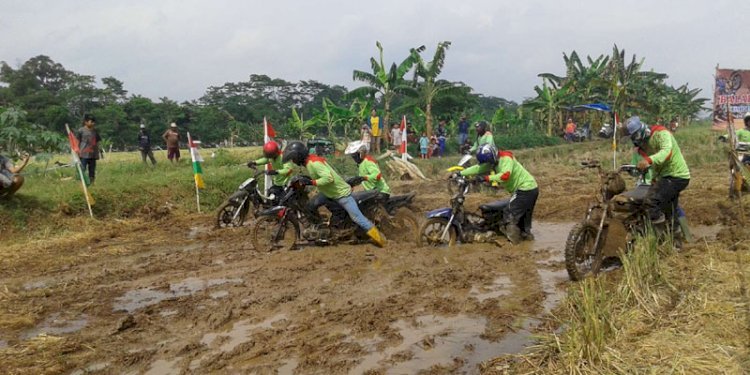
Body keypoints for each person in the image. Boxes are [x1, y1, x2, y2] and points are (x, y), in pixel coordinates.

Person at [282, 141, 386, 247]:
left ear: (299, 156)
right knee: (311, 204)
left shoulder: (314, 163)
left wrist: (311, 182)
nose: (293, 161)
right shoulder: (310, 162)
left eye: (294, 158)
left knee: (358, 218)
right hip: (329, 193)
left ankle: (381, 240)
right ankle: (319, 227)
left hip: (341, 194)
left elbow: (329, 178)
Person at [459, 144, 539, 244]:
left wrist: (486, 178)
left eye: (488, 162)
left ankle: (514, 244)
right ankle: (526, 240)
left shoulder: (506, 158)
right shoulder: (493, 162)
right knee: (523, 221)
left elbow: (505, 175)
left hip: (525, 189)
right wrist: (461, 173)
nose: (487, 164)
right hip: (529, 189)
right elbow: (478, 168)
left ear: (493, 156)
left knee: (509, 213)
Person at [626, 116, 690, 237]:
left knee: (651, 201)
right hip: (664, 177)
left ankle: (660, 235)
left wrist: (648, 160)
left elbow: (666, 152)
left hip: (677, 175)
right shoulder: (642, 148)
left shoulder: (661, 133)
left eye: (635, 136)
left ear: (642, 131)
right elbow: (652, 166)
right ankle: (676, 239)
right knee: (670, 208)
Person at [76, 114, 102, 184]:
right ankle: (81, 183)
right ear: (86, 122)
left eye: (93, 122)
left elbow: (97, 141)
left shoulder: (95, 131)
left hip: (93, 154)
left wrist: (99, 151)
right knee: (82, 169)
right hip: (83, 154)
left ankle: (92, 183)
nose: (93, 123)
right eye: (91, 121)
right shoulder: (81, 130)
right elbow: (78, 141)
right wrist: (77, 150)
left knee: (92, 170)